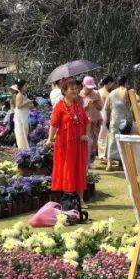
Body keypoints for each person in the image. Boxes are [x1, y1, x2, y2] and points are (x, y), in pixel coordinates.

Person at [45, 77, 90, 210]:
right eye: (72, 89)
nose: (75, 91)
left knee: (80, 170)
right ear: (64, 91)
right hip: (65, 145)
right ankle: (68, 199)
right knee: (67, 170)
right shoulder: (59, 107)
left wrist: (86, 134)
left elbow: (87, 122)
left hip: (79, 144)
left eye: (76, 88)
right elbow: (53, 125)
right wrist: (49, 139)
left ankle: (81, 200)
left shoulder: (78, 105)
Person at [103, 76, 132, 168]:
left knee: (112, 140)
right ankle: (122, 163)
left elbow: (107, 108)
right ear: (125, 83)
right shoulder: (127, 92)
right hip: (125, 119)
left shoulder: (111, 93)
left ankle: (109, 163)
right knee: (124, 140)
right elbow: (130, 106)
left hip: (114, 118)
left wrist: (107, 119)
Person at [80, 76, 103, 165]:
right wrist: (86, 106)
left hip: (95, 122)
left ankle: (90, 158)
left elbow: (100, 107)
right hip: (85, 123)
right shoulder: (79, 95)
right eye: (88, 87)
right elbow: (78, 110)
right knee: (86, 142)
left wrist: (95, 103)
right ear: (83, 85)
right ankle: (85, 161)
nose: (89, 90)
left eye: (91, 88)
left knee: (93, 143)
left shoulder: (96, 93)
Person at [10, 83, 33, 150]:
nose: (27, 87)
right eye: (25, 85)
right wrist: (27, 102)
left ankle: (24, 149)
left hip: (24, 115)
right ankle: (22, 149)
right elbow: (18, 106)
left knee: (24, 131)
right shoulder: (19, 95)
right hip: (20, 117)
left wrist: (30, 104)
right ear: (21, 87)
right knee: (21, 132)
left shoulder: (23, 95)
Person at [96, 77, 114, 158]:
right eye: (111, 83)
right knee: (103, 134)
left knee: (101, 134)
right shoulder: (107, 93)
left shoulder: (98, 91)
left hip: (98, 113)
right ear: (109, 83)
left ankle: (101, 153)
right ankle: (102, 154)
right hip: (105, 114)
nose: (112, 85)